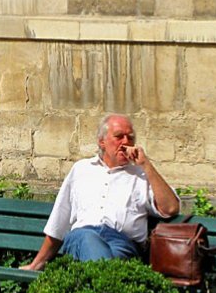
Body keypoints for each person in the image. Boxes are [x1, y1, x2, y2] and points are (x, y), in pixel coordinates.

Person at [21, 113, 180, 271]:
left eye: (130, 138)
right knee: (88, 238)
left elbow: (171, 208)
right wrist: (37, 264)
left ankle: (100, 286)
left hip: (122, 245)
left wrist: (146, 165)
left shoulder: (142, 176)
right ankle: (107, 284)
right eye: (119, 137)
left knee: (101, 259)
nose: (126, 142)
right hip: (81, 239)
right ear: (102, 142)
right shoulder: (81, 169)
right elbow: (59, 222)